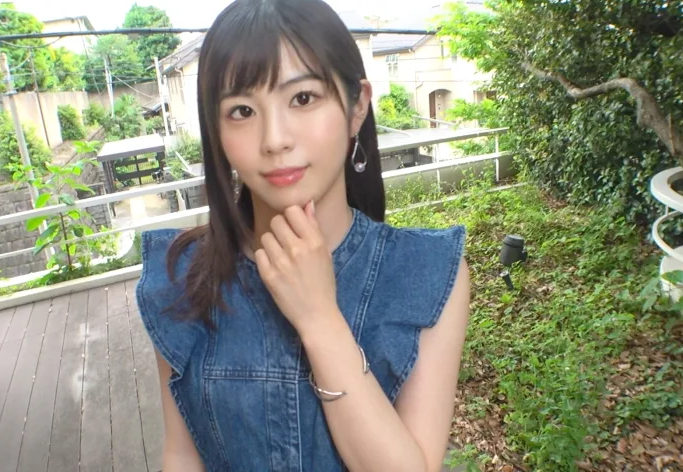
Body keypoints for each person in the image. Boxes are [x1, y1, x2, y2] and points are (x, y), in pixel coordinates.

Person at [135, 0, 472, 470]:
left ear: (357, 106)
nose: (274, 139)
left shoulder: (428, 273)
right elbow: (181, 455)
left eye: (303, 98)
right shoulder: (181, 277)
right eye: (242, 110)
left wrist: (319, 319)